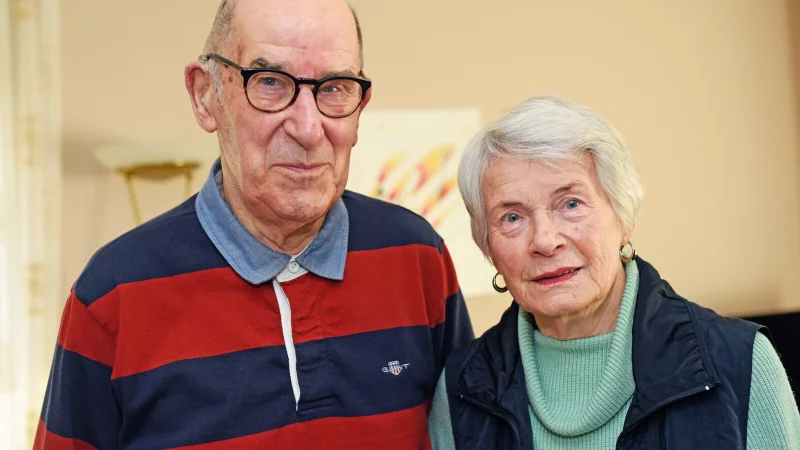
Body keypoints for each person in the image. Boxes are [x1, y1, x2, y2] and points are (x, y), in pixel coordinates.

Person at [35, 0, 473, 448]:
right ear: (205, 95)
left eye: (335, 87)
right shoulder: (114, 294)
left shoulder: (418, 258)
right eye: (269, 82)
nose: (308, 128)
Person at [429, 95, 800, 449]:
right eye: (512, 217)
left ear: (623, 218)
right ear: (488, 246)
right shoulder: (461, 389)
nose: (544, 240)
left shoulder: (740, 362)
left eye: (570, 203)